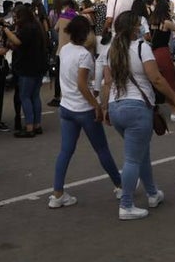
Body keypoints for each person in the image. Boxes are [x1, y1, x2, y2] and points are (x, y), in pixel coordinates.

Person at [101, 12, 175, 220]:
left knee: (141, 153)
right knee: (132, 159)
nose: (141, 28)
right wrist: (174, 99)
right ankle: (126, 205)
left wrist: (104, 108)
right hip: (137, 108)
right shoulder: (142, 48)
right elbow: (156, 78)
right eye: (138, 25)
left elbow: (107, 82)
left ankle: (152, 193)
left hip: (116, 106)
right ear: (132, 28)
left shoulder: (112, 50)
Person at [50, 15, 122, 208]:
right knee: (101, 149)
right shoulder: (84, 55)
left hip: (66, 108)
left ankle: (57, 193)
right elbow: (82, 84)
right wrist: (97, 105)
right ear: (86, 34)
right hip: (83, 109)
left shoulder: (65, 50)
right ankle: (120, 185)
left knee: (65, 151)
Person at [2, 2, 49, 138]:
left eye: (16, 16)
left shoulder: (27, 28)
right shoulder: (36, 26)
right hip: (39, 66)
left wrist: (6, 30)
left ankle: (29, 127)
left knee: (25, 96)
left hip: (27, 67)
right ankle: (37, 125)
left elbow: (17, 41)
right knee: (35, 96)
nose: (15, 19)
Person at [149, 0, 175, 122]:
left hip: (153, 53)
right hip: (163, 52)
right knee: (170, 80)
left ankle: (168, 108)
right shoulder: (166, 22)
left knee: (160, 81)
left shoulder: (152, 21)